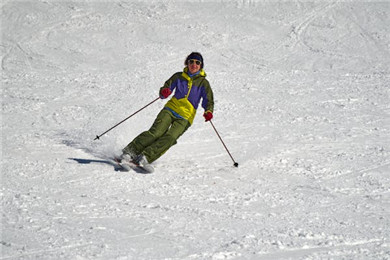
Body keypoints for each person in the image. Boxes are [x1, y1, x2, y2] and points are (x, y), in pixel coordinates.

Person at [120, 52, 214, 169]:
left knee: (170, 137)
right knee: (156, 133)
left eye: (197, 62)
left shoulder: (203, 83)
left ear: (201, 65)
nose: (194, 64)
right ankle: (129, 152)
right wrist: (165, 91)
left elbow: (208, 100)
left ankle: (145, 157)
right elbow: (166, 88)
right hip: (170, 109)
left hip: (186, 116)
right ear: (187, 63)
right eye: (191, 62)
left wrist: (208, 111)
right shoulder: (178, 76)